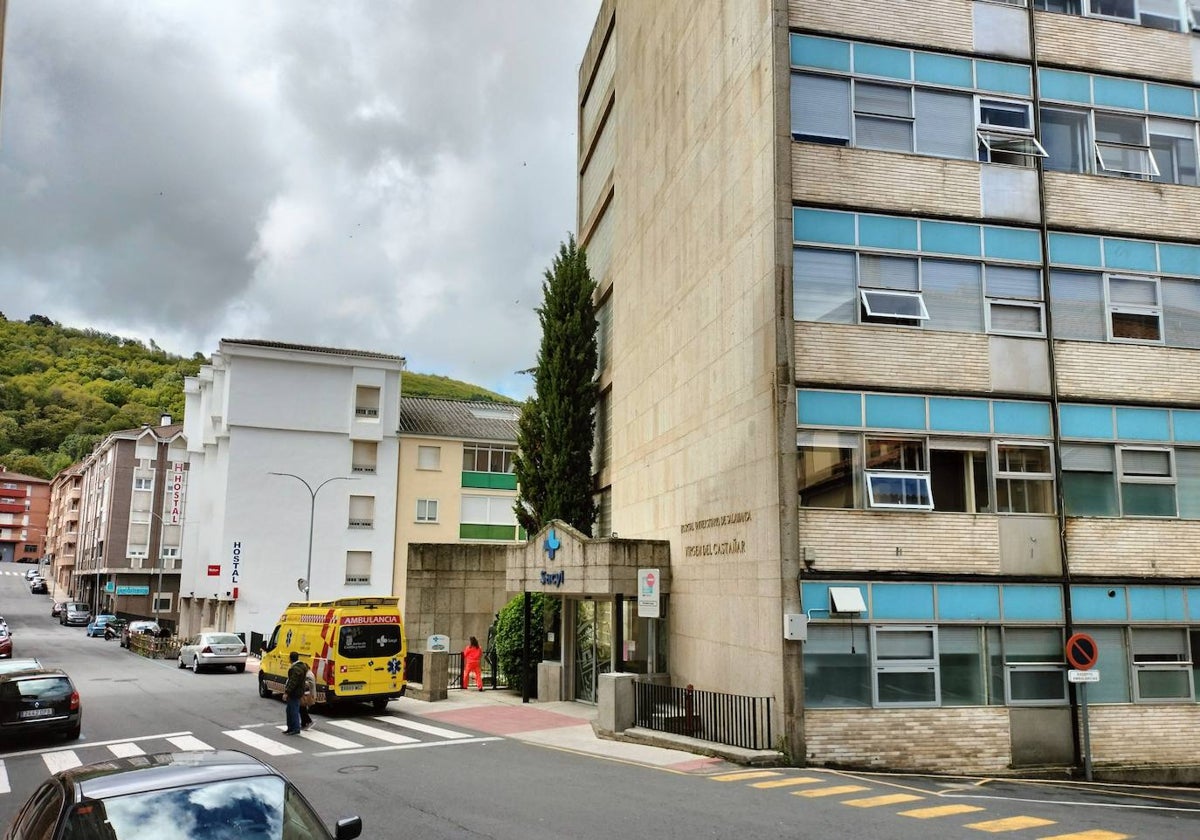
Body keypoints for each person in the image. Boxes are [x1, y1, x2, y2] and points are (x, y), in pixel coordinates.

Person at [282, 651, 307, 735]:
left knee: (293, 710)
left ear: (290, 658)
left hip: (294, 693)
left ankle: (295, 728)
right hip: (297, 691)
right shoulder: (301, 666)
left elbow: (293, 682)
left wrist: (287, 692)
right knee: (289, 710)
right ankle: (290, 728)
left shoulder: (296, 669)